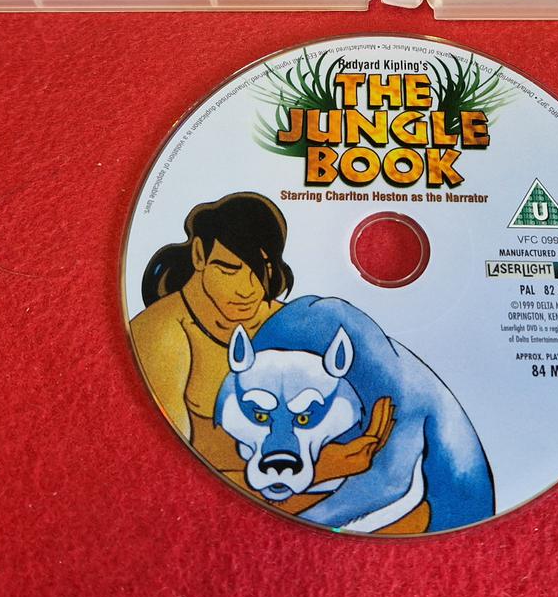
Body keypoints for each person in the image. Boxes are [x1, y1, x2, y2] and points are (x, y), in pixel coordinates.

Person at [129, 192, 392, 491]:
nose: (247, 290)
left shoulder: (290, 319)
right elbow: (167, 465)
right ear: (200, 255)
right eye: (229, 269)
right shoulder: (161, 334)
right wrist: (323, 470)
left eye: (262, 269)